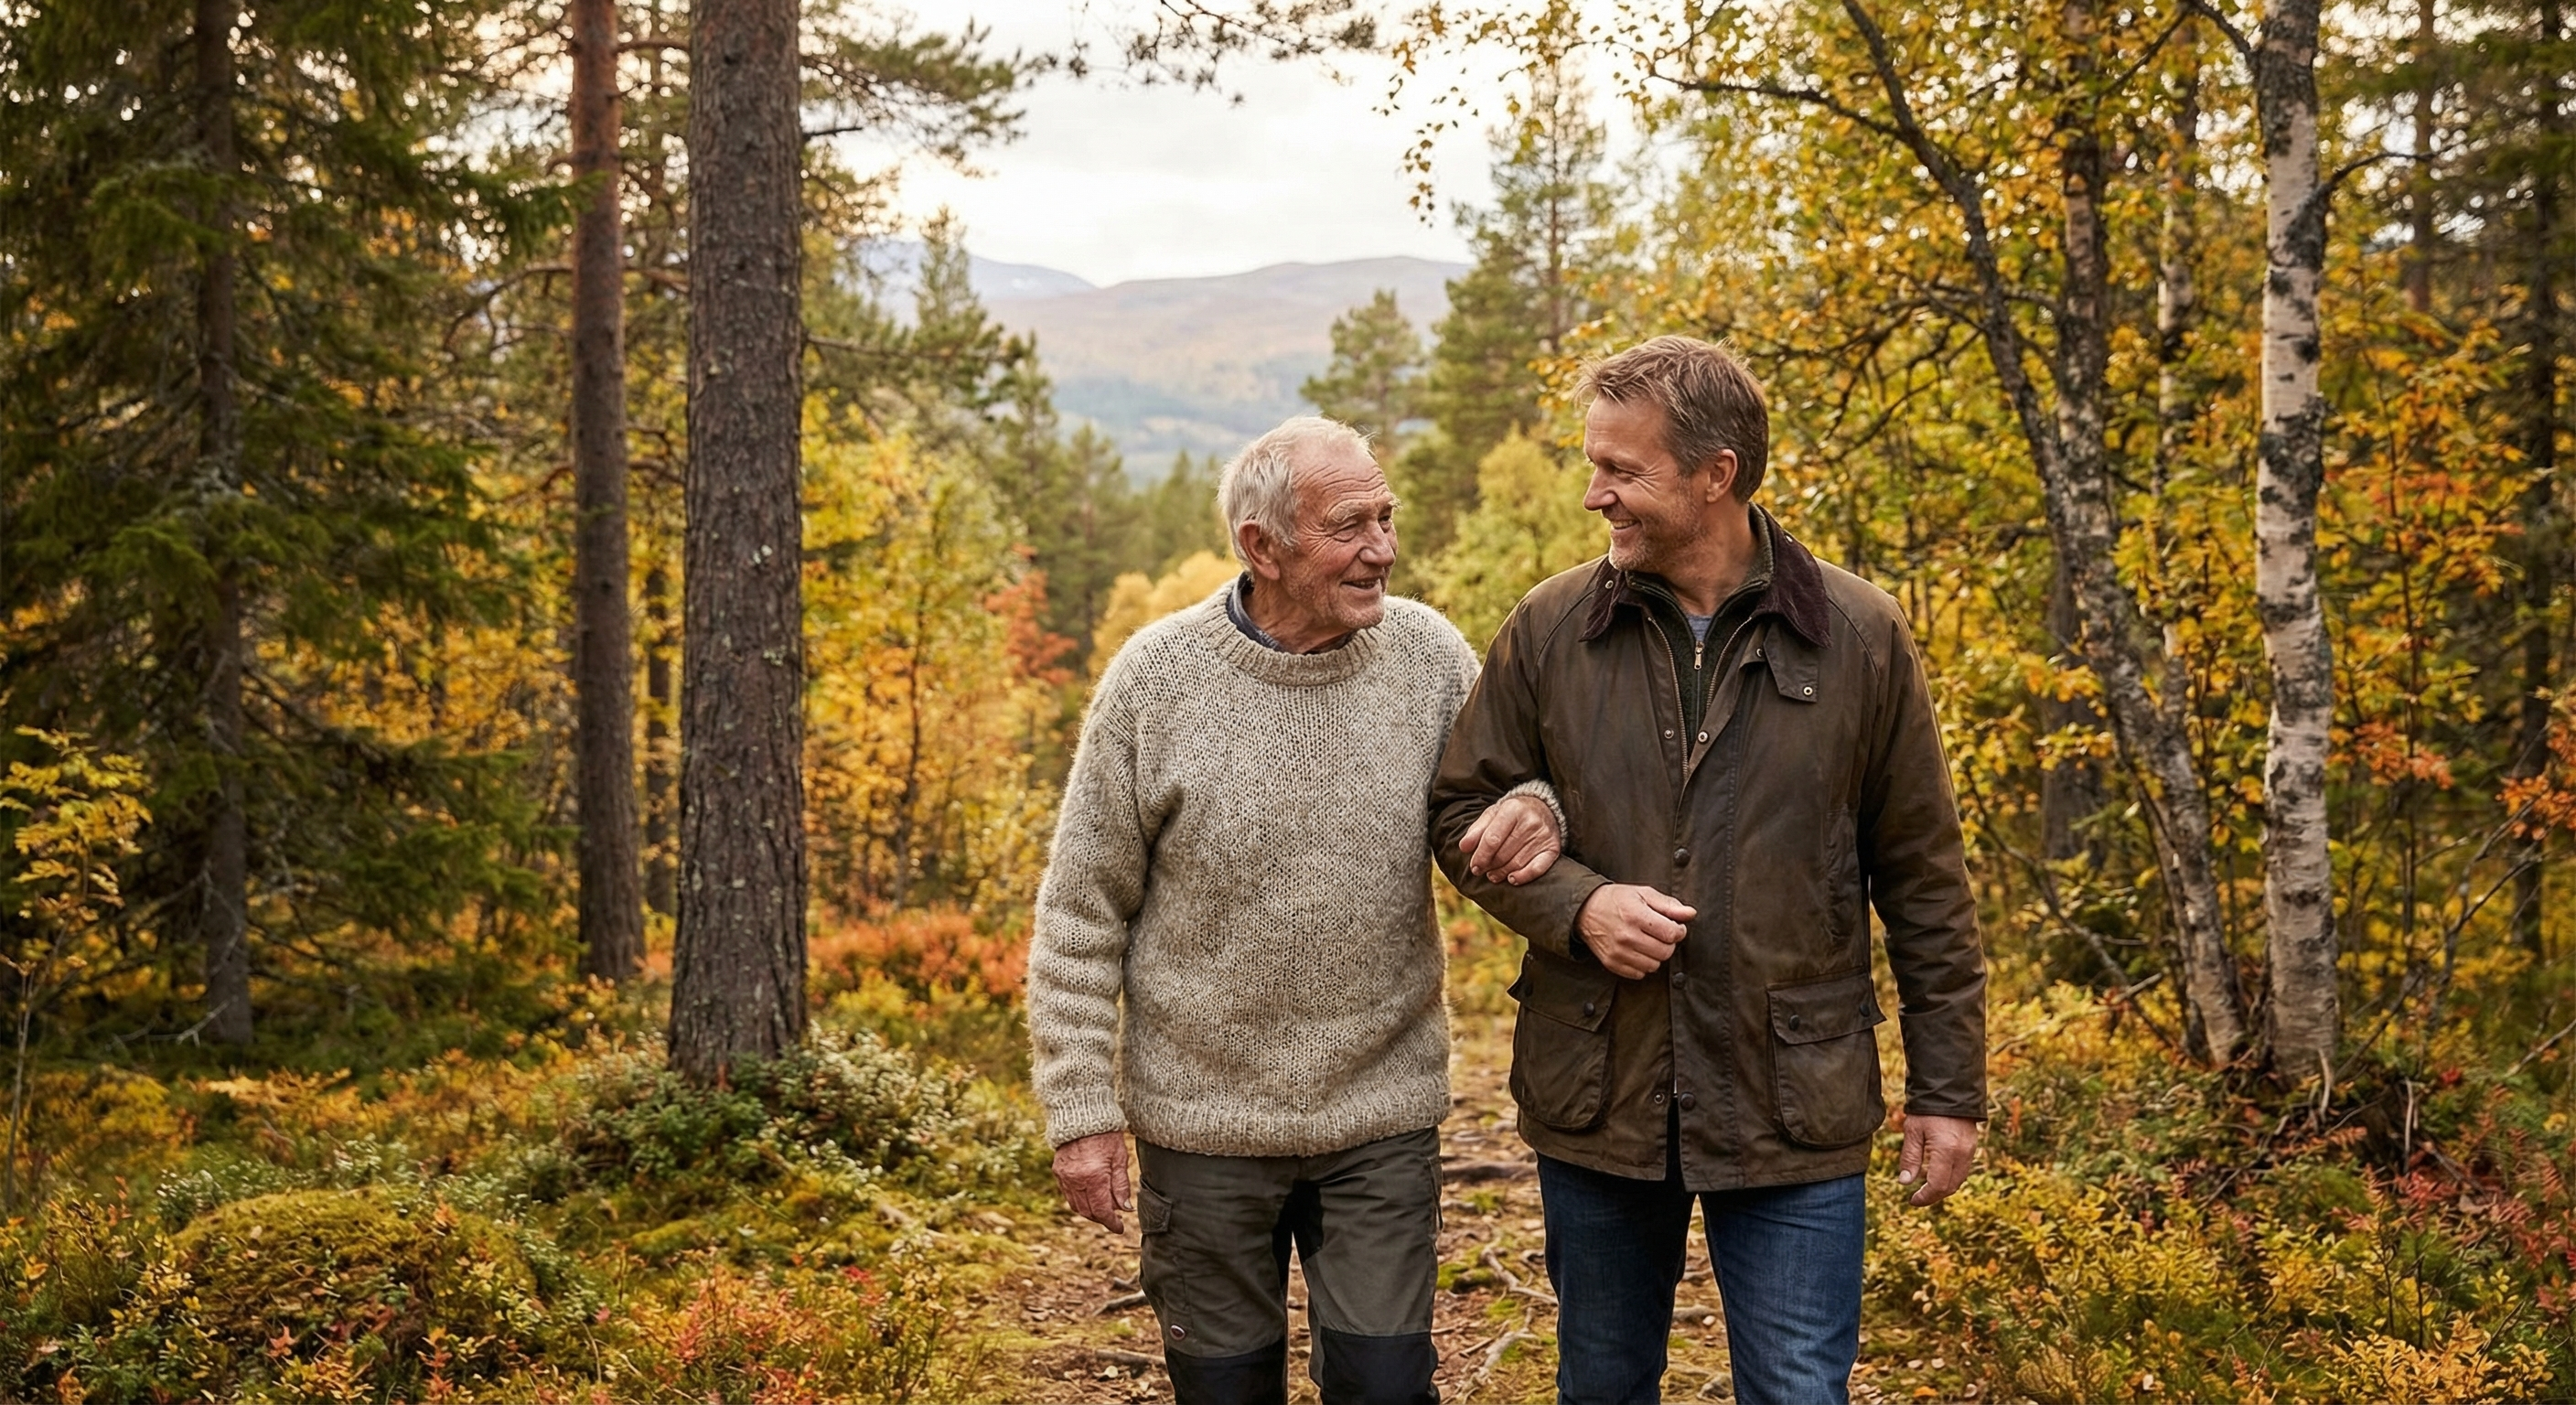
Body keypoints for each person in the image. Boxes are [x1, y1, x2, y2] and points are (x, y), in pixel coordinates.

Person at [1431, 337, 1987, 1405]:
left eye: (1620, 470)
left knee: (1795, 1390)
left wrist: (1946, 1090)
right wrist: (1578, 905)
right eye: (1591, 465)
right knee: (1602, 1383)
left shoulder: (1860, 635)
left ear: (1714, 474)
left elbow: (1922, 880)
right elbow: (1459, 810)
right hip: (1599, 1090)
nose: (1593, 495)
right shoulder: (1549, 628)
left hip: (1792, 1101)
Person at [1026, 415, 1564, 1405]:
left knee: (1386, 1385)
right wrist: (1081, 1112)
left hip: (1380, 1115)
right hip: (1201, 1128)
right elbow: (1079, 917)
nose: (1382, 549)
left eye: (1386, 517)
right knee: (1223, 1387)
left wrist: (1536, 806)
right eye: (1349, 526)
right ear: (1261, 547)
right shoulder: (1155, 681)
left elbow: (1505, 788)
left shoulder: (1428, 656)